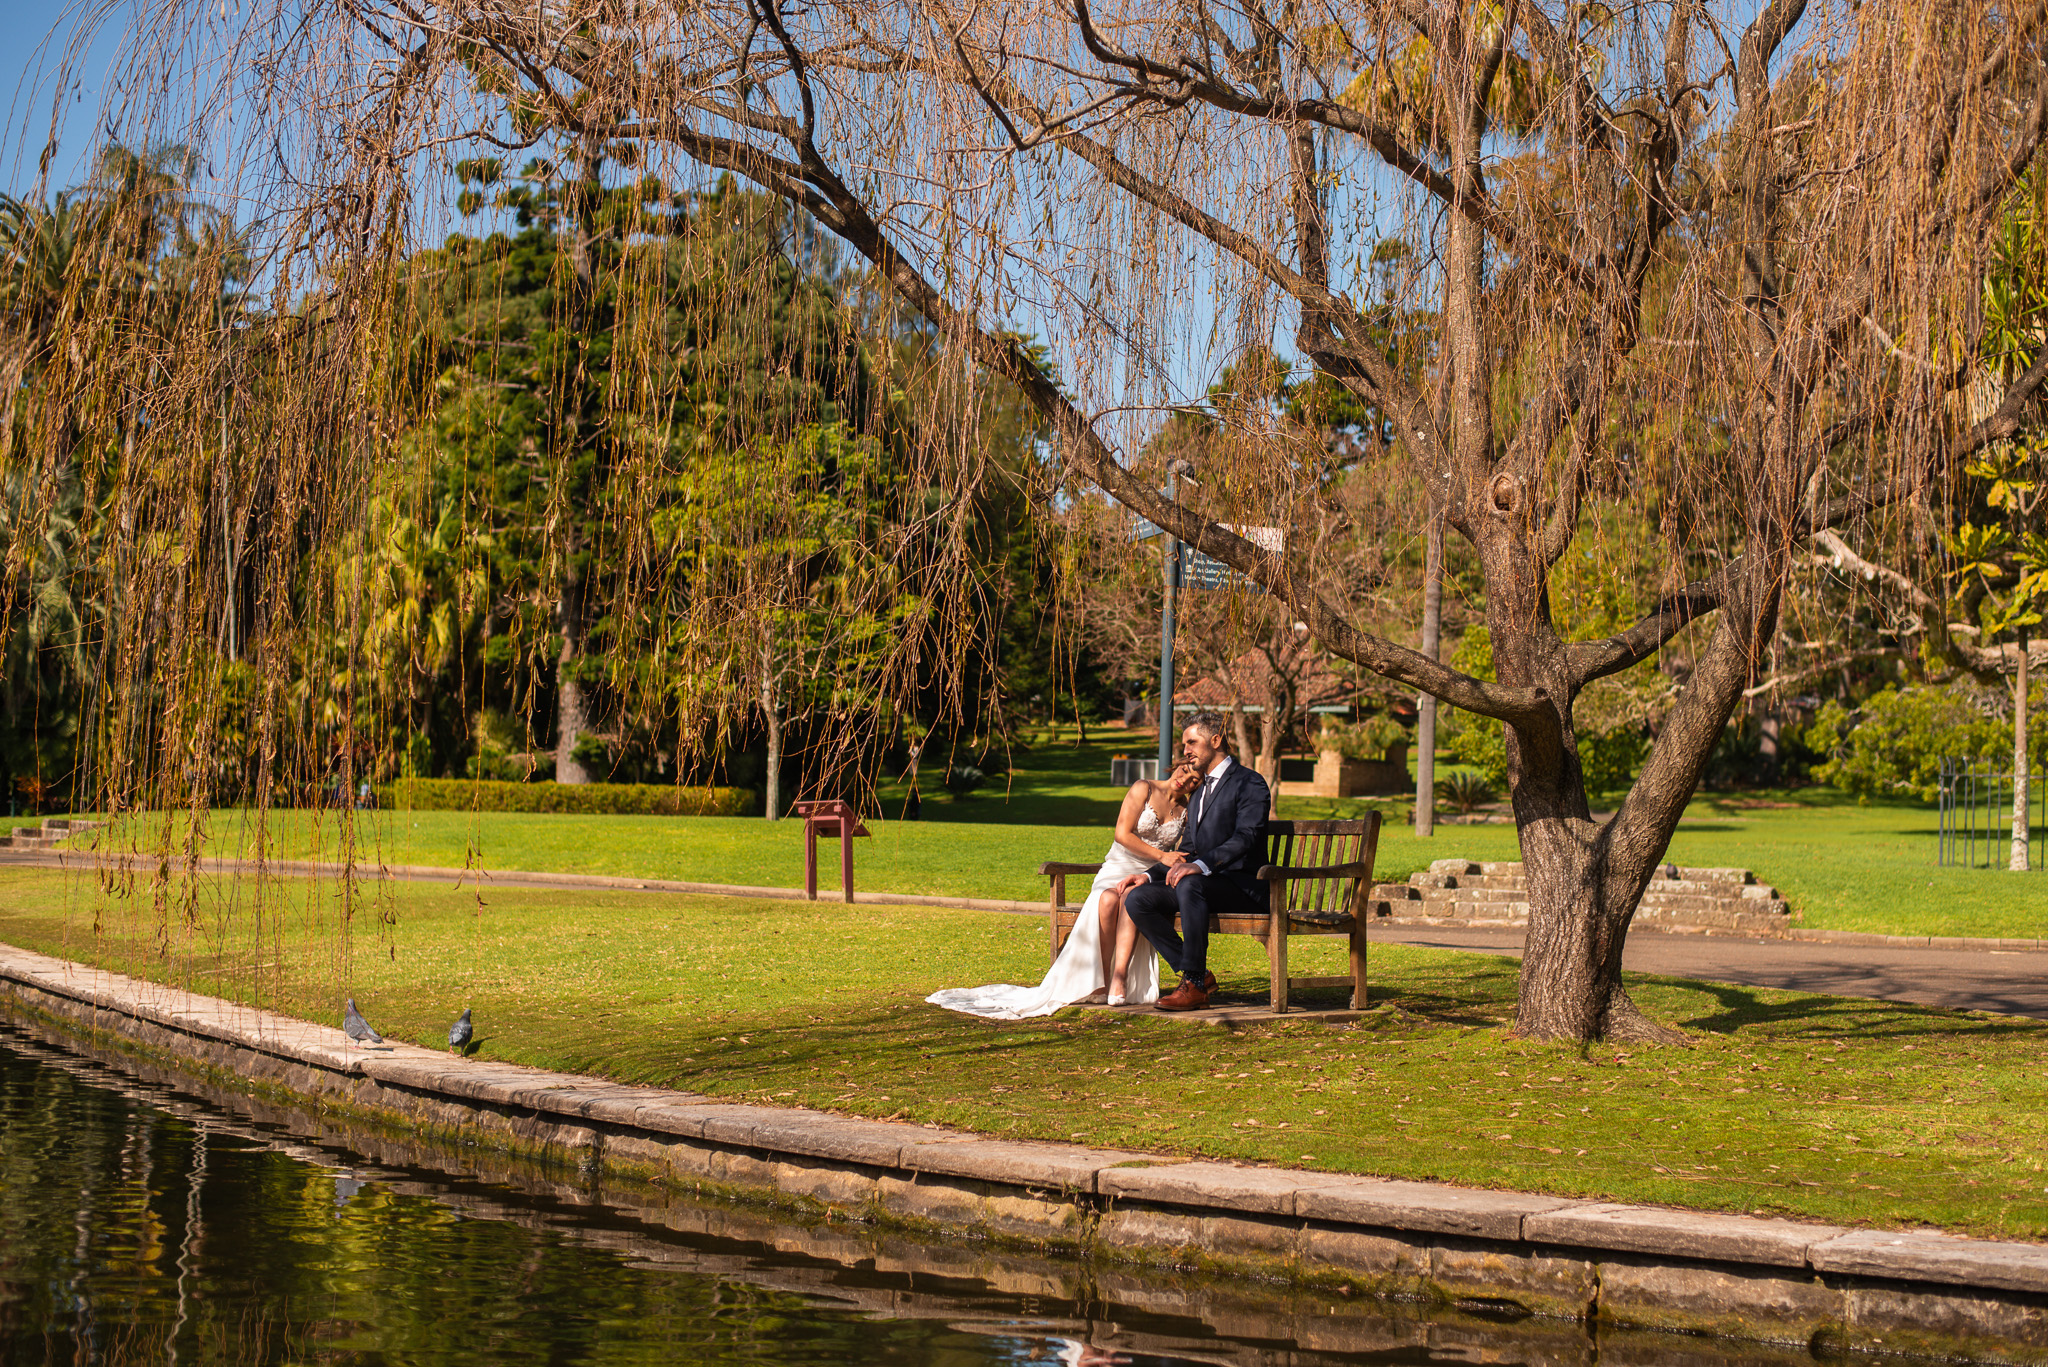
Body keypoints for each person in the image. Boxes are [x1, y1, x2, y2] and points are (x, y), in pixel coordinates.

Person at [926, 761, 1202, 1018]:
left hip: (1145, 873)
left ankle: (1120, 977)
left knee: (1131, 897)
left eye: (1193, 780)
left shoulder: (1186, 809)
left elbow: (1184, 848)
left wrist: (1160, 866)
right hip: (1119, 865)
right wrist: (1161, 856)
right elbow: (1122, 834)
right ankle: (1101, 980)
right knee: (1107, 899)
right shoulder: (1144, 787)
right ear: (1177, 763)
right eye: (1185, 770)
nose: (1184, 779)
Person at [1118, 712, 1270, 1012]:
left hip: (1243, 887)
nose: (1186, 749)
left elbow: (1246, 837)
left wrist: (1200, 866)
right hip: (1203, 886)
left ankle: (1193, 986)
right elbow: (1186, 851)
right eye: (1184, 743)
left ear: (1215, 740)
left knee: (1191, 884)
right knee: (1138, 899)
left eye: (1192, 742)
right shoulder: (1199, 792)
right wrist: (1149, 876)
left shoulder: (1249, 783)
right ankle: (1196, 976)